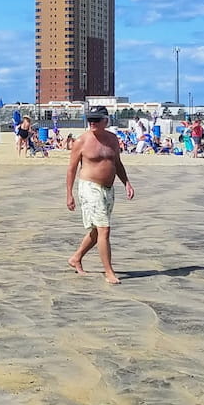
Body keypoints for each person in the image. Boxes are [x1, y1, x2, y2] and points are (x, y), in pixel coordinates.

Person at [65, 105, 134, 285]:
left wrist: (126, 182)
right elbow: (71, 169)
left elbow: (117, 163)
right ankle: (109, 272)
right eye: (90, 120)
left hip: (108, 189)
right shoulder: (81, 141)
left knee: (98, 230)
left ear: (106, 120)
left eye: (96, 119)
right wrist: (69, 194)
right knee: (105, 229)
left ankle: (76, 258)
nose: (93, 123)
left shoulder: (113, 139)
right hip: (89, 187)